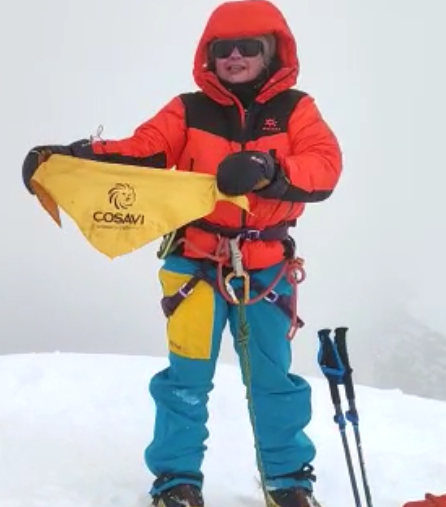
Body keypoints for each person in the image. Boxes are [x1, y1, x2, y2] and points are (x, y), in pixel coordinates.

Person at [20, 1, 342, 507]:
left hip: (266, 270)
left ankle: (287, 483)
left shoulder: (296, 110)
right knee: (186, 380)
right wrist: (75, 157)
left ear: (272, 53)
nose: (234, 57)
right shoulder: (187, 110)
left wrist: (266, 165)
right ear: (207, 56)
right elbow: (143, 150)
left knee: (274, 382)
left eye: (247, 48)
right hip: (195, 264)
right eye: (222, 49)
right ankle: (176, 483)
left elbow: (324, 165)